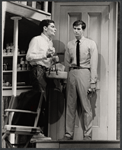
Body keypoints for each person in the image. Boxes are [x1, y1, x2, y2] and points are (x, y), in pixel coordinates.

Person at [61, 20, 98, 140]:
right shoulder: (69, 44)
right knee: (70, 106)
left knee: (86, 106)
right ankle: (68, 134)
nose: (76, 31)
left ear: (83, 30)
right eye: (74, 29)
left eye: (78, 29)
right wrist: (65, 80)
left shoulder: (90, 44)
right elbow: (66, 63)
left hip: (84, 72)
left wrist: (93, 82)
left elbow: (94, 63)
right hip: (72, 73)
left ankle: (87, 135)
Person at [26, 19, 58, 140]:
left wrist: (52, 60)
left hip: (45, 72)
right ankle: (35, 132)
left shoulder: (50, 43)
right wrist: (45, 55)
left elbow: (47, 59)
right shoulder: (37, 40)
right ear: (45, 28)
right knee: (40, 100)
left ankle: (39, 131)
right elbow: (29, 57)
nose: (55, 29)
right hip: (37, 71)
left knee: (44, 102)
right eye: (52, 27)